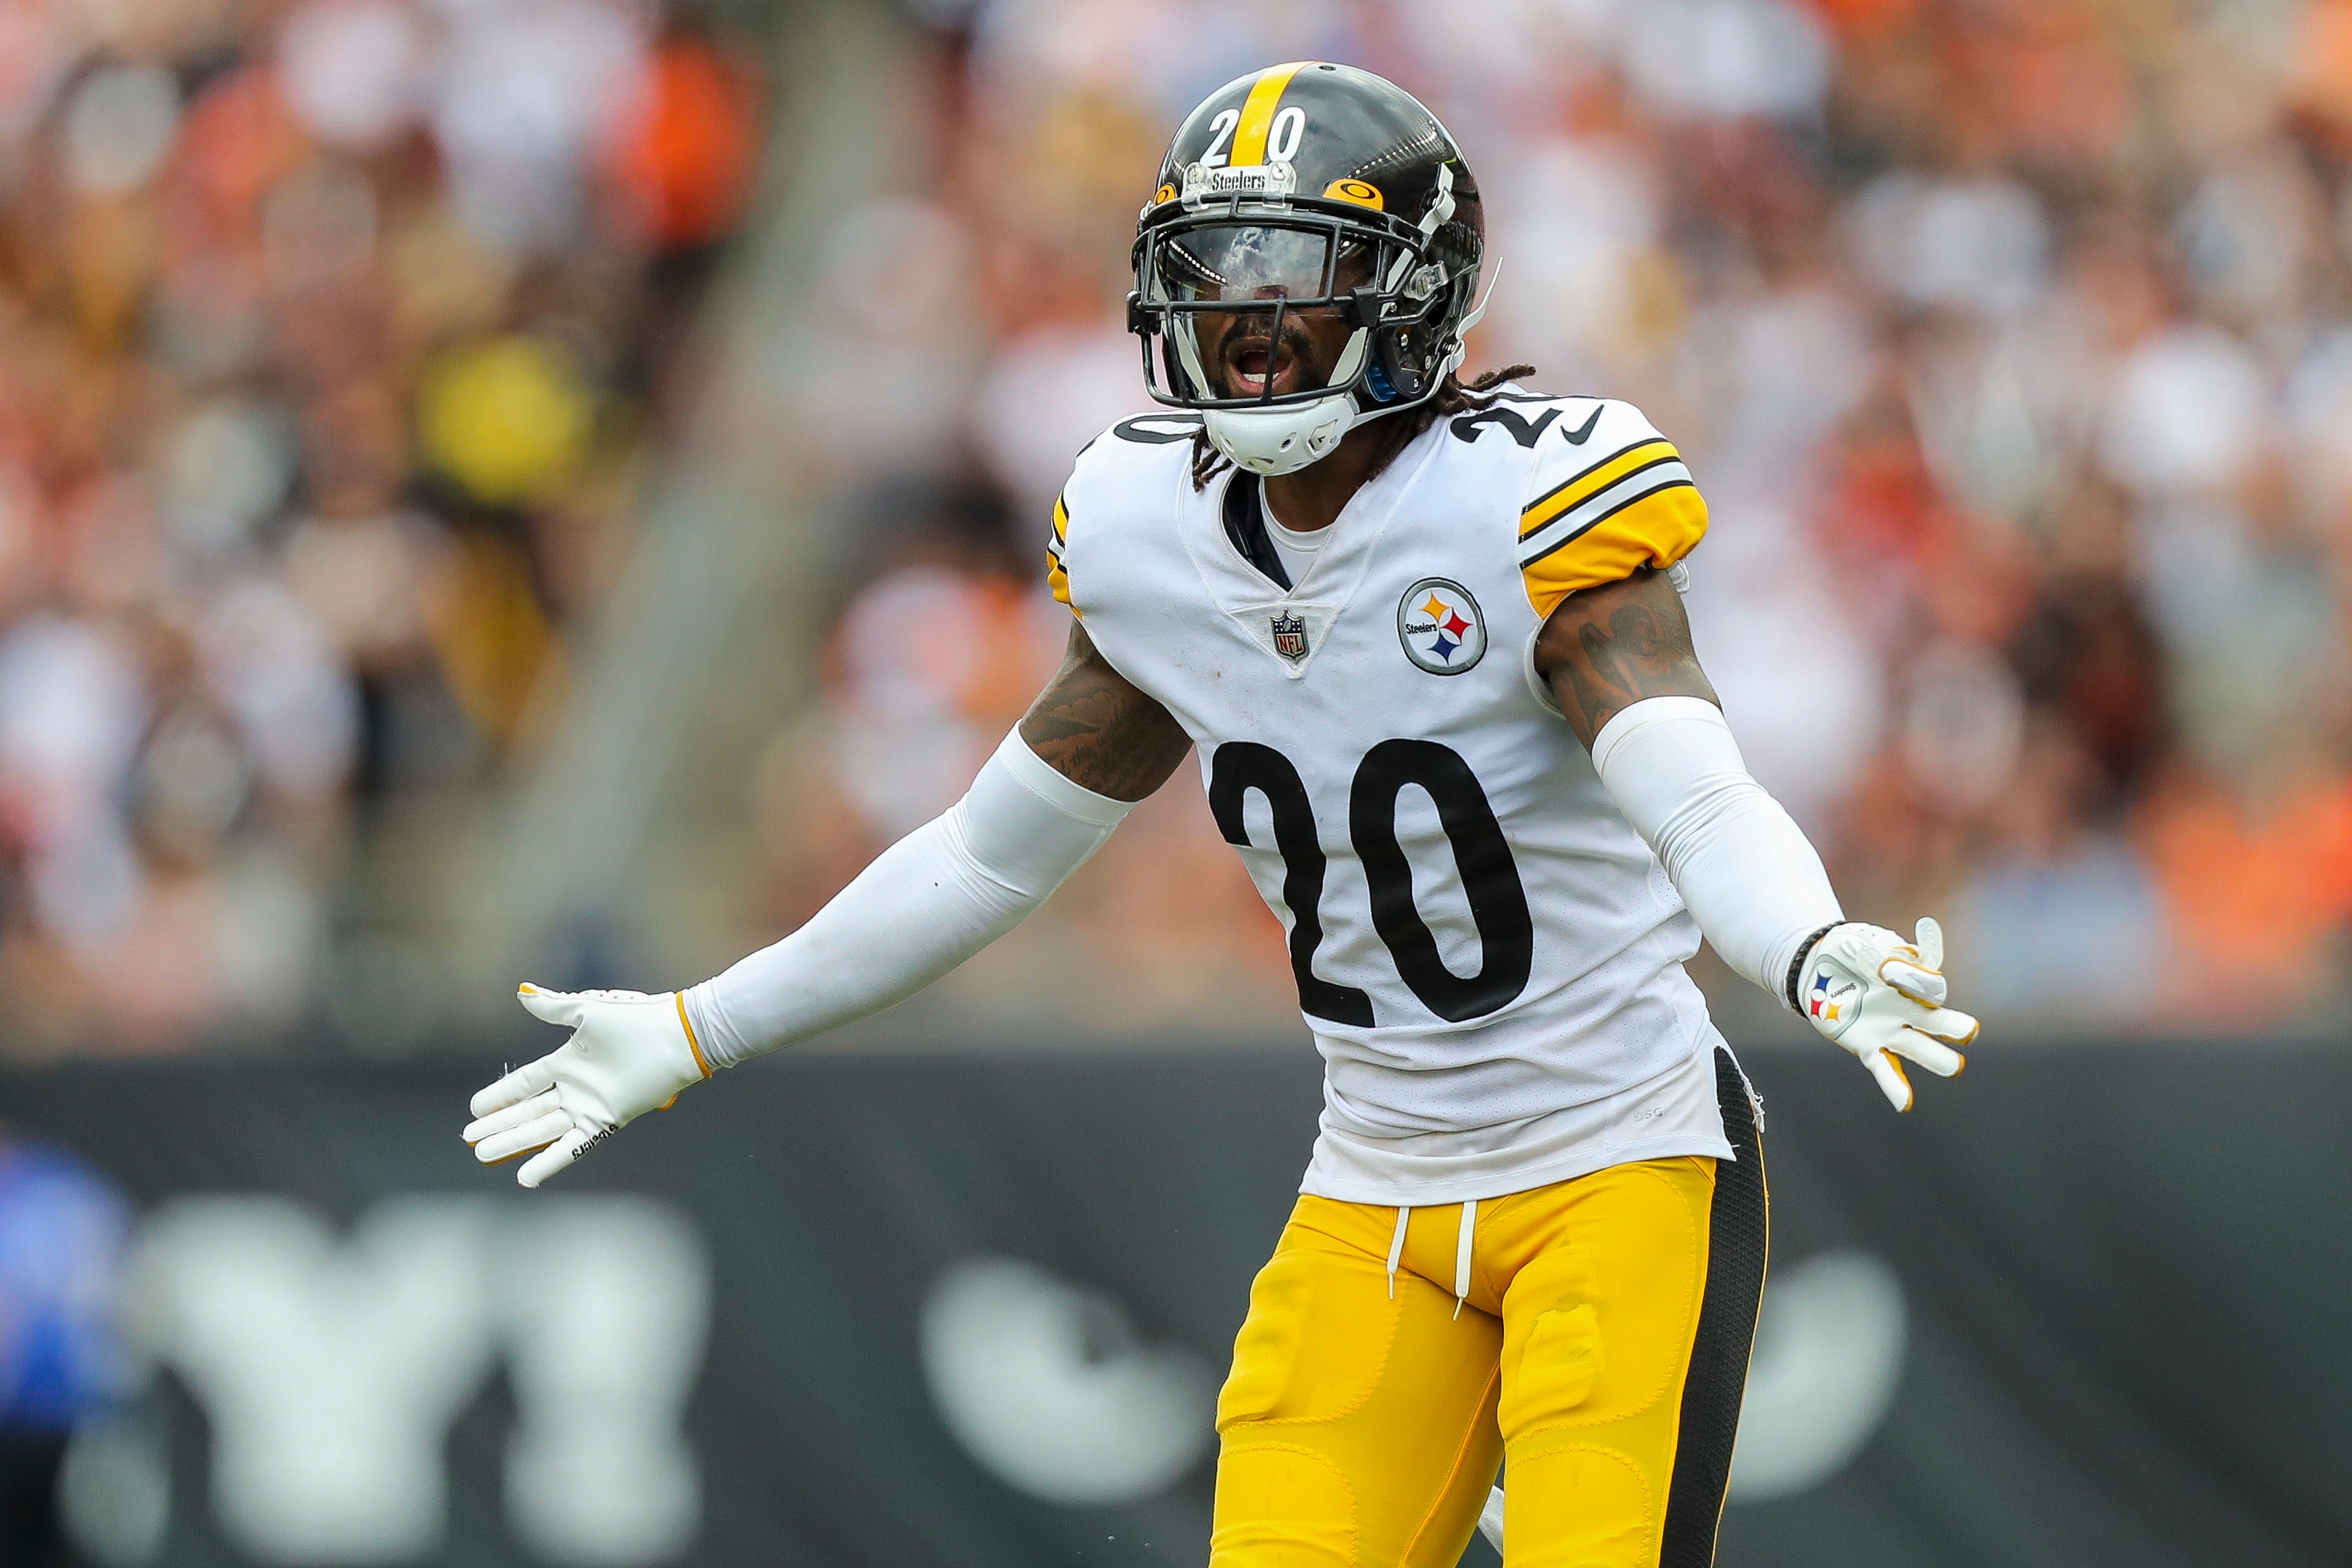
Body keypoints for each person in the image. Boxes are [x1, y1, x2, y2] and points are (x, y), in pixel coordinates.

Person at [462, 63, 1978, 1567]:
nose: (1246, 325)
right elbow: (987, 857)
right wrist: (696, 1027)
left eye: (1296, 276)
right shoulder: (1144, 537)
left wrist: (1807, 943)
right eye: (1214, 273)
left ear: (1412, 297)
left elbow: (1693, 794)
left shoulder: (1519, 505)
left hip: (1624, 1158)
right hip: (1373, 1188)